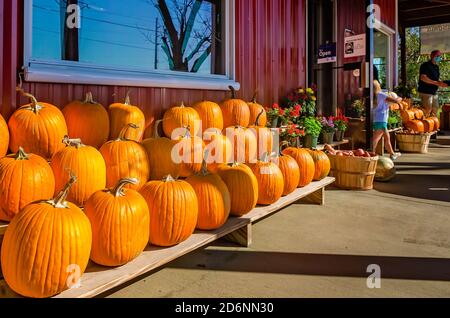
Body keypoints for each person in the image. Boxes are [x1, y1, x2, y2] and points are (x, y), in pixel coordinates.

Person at [372, 80, 403, 160]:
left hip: (377, 120)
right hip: (382, 120)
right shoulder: (381, 95)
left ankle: (372, 153)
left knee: (376, 139)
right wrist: (400, 98)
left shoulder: (373, 96)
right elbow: (395, 101)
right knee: (385, 138)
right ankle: (391, 154)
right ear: (378, 86)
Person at [418, 50, 448, 117]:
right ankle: (423, 124)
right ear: (432, 56)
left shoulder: (436, 67)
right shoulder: (425, 65)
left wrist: (441, 83)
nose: (439, 57)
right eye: (437, 56)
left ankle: (432, 125)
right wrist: (435, 83)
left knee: (435, 108)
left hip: (434, 92)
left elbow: (436, 79)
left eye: (440, 56)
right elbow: (423, 78)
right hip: (425, 91)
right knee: (427, 109)